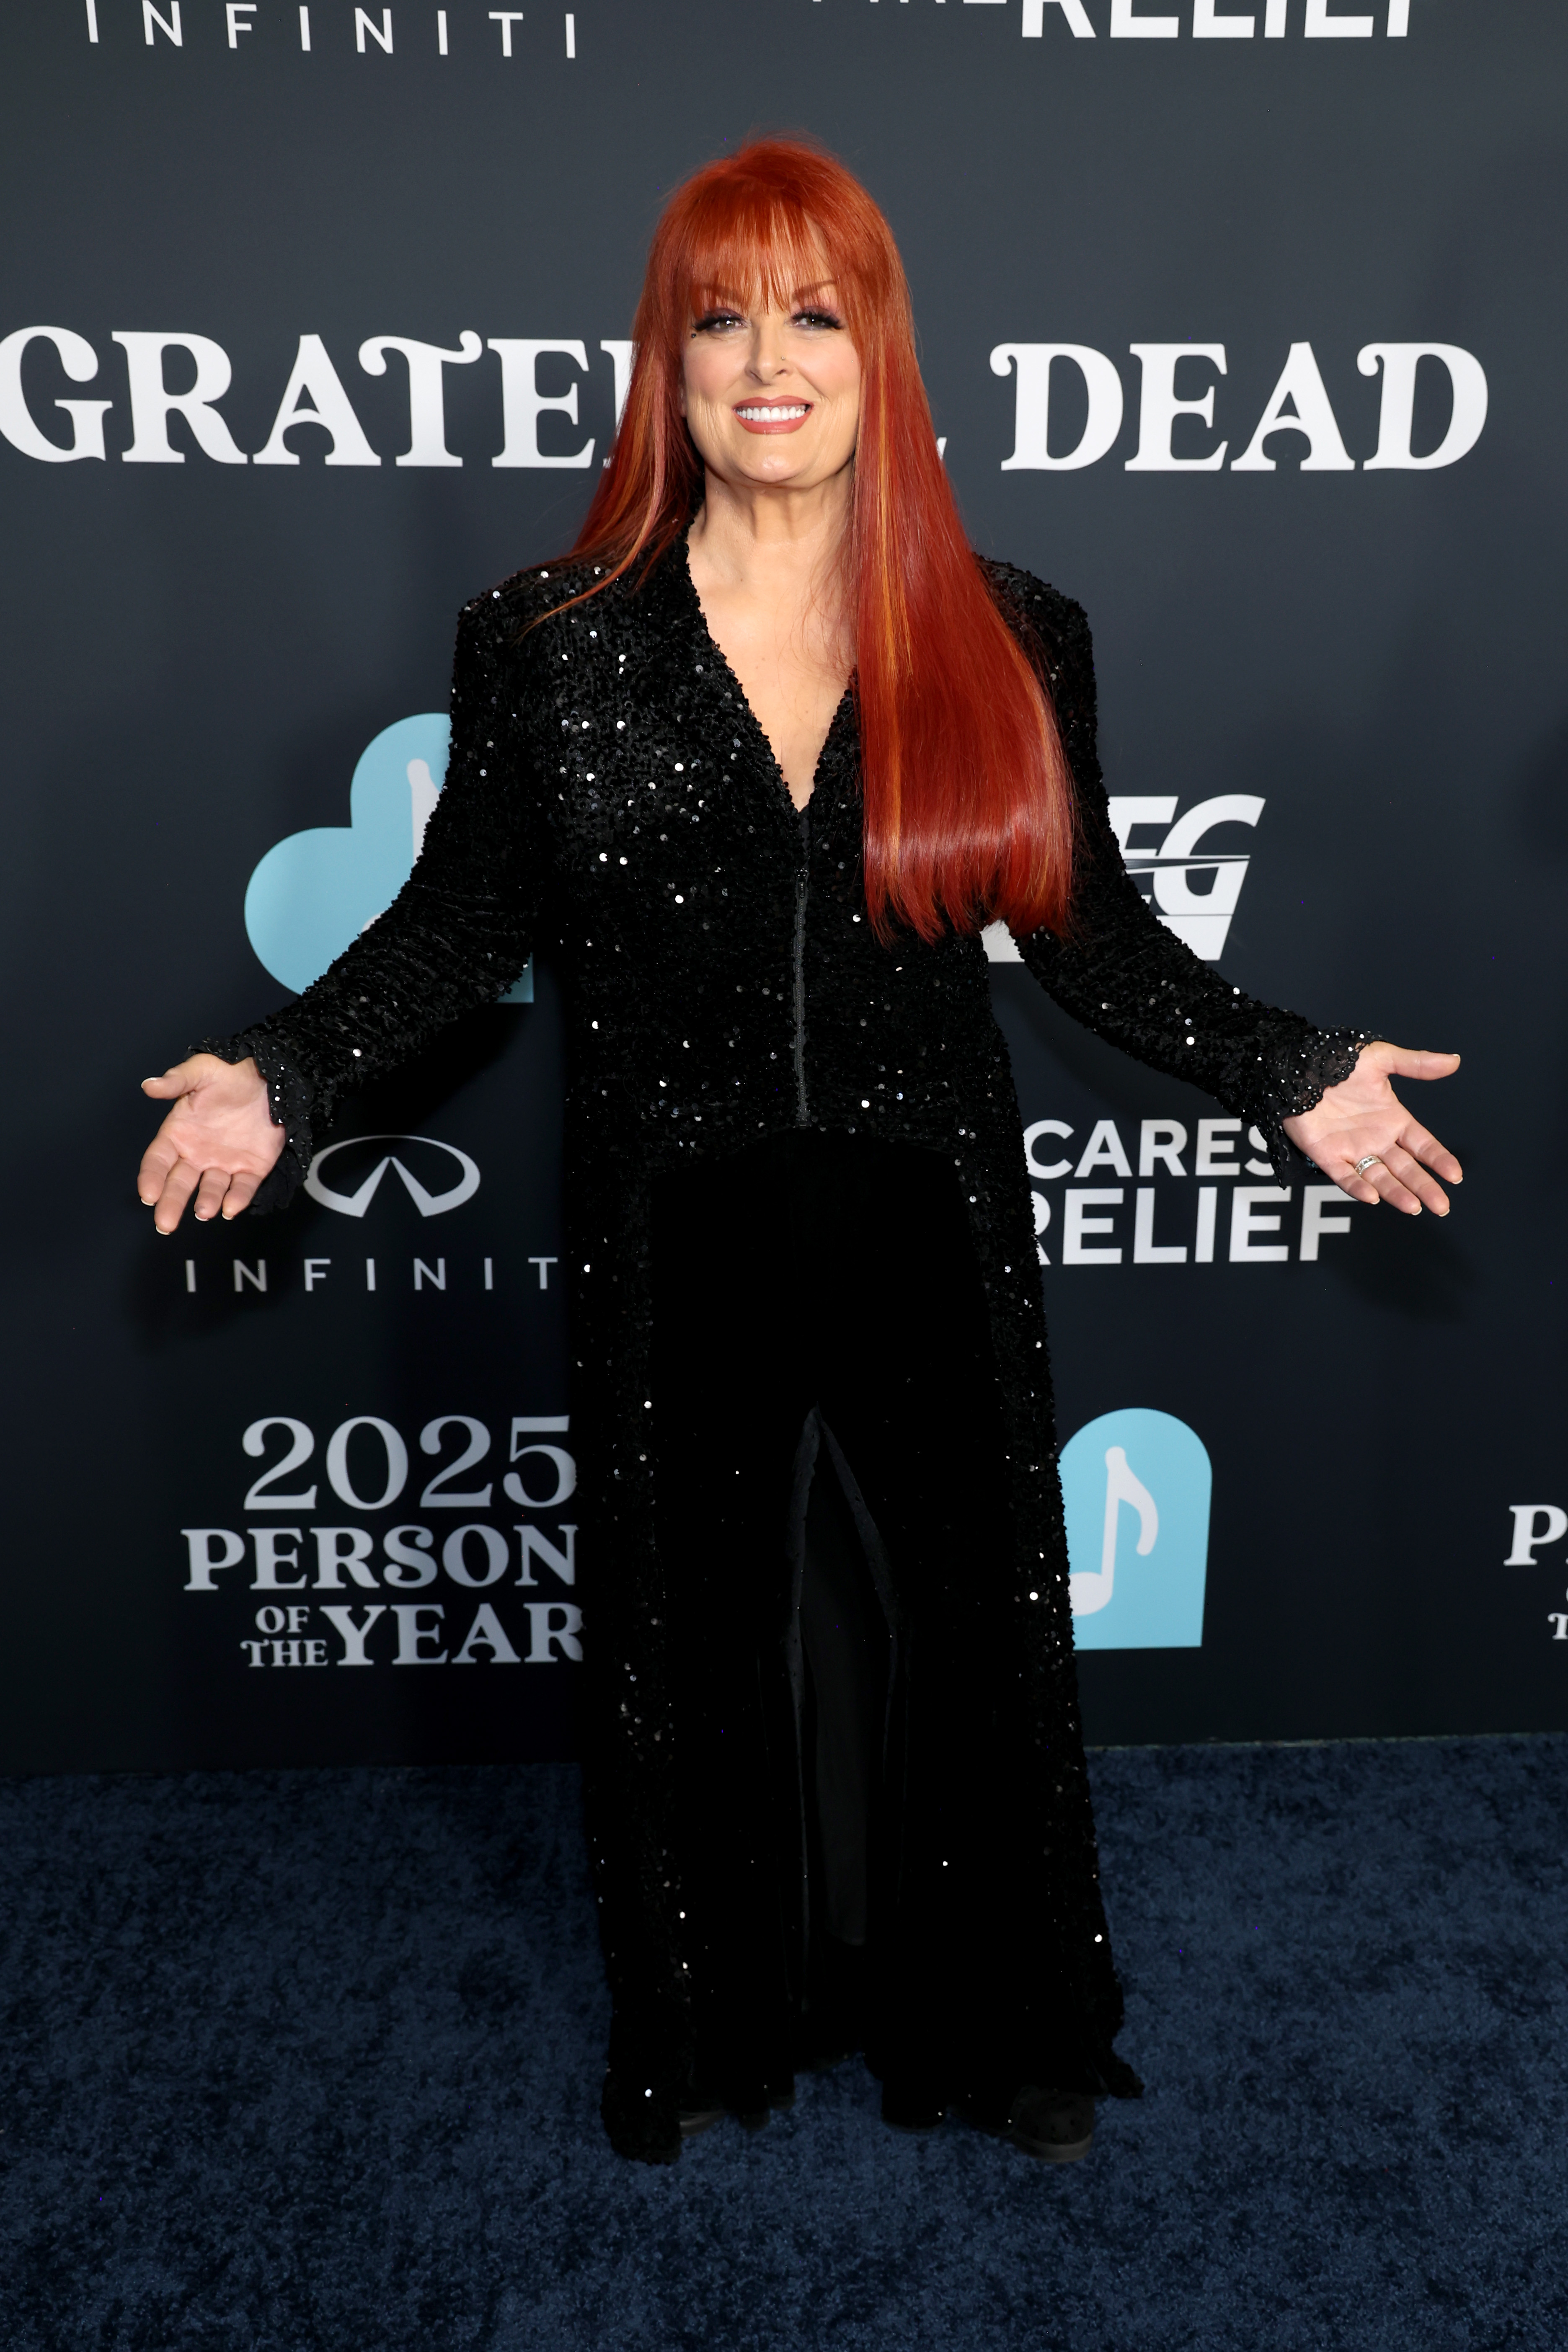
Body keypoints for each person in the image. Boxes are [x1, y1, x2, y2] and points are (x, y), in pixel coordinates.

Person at [136, 139, 1462, 2169]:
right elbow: (458, 922)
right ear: (666, 363)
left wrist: (1290, 1066)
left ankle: (996, 2015)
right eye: (721, 318)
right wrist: (280, 1071)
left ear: (881, 352)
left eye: (815, 316)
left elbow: (1088, 925)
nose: (770, 362)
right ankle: (716, 2013)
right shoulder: (549, 637)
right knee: (693, 1621)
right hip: (674, 1205)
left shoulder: (1011, 623)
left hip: (928, 1195)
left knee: (970, 1609)